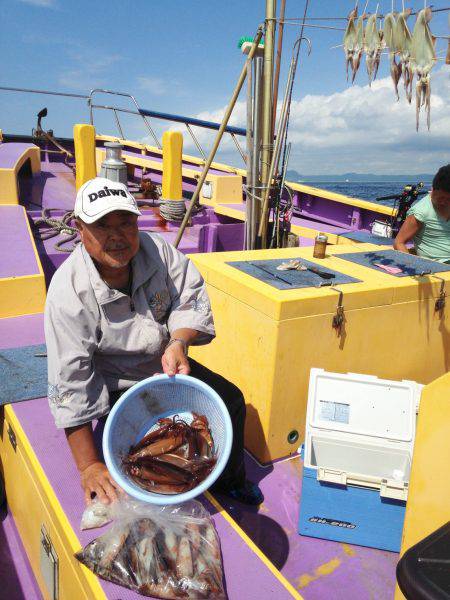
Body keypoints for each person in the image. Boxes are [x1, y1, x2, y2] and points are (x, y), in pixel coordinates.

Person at [44, 177, 263, 506]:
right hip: (114, 379)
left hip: (165, 363)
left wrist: (178, 341)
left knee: (231, 400)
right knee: (133, 445)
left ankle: (229, 481)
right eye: (102, 225)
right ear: (80, 229)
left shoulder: (157, 250)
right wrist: (88, 466)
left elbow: (189, 298)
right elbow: (71, 380)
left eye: (126, 223)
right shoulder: (68, 293)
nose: (117, 236)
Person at [394, 165, 450, 263]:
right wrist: (411, 266)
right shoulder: (420, 212)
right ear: (432, 189)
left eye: (449, 199)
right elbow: (399, 243)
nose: (444, 202)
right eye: (440, 198)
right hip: (439, 265)